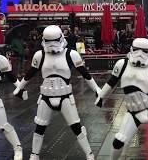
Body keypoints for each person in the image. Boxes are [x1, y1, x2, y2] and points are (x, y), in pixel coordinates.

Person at [13, 25, 101, 160]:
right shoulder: (40, 55)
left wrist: (97, 89)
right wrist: (20, 86)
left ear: (61, 38)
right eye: (48, 41)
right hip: (46, 96)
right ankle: (34, 155)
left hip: (65, 95)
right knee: (40, 127)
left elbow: (85, 74)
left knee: (76, 126)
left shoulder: (71, 54)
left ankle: (89, 154)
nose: (52, 44)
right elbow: (30, 73)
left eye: (54, 40)